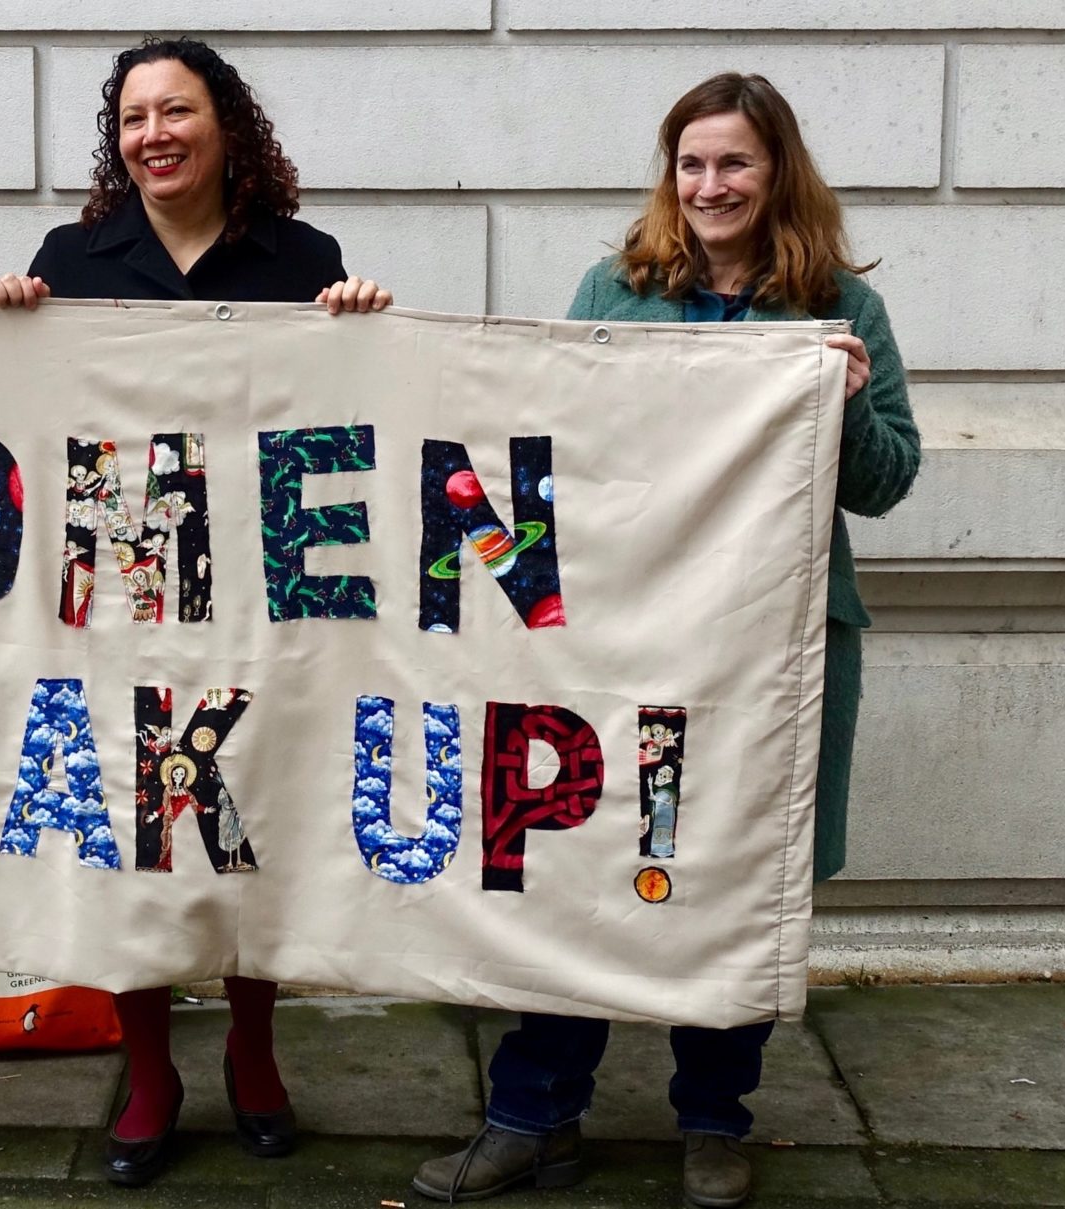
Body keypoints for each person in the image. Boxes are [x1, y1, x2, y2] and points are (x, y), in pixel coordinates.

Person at [410, 72, 921, 1207]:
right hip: (621, 639)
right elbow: (560, 449)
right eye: (691, 164)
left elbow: (887, 482)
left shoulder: (836, 306)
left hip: (768, 649)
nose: (710, 185)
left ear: (775, 170)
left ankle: (713, 1123)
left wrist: (838, 400)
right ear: (668, 174)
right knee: (581, 859)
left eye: (733, 163)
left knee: (731, 870)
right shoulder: (618, 288)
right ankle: (531, 1113)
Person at [0, 37, 391, 1187]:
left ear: (225, 127)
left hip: (257, 586)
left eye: (178, 110)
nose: (154, 133)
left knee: (251, 805)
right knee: (135, 824)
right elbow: (31, 401)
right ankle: (150, 1070)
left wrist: (352, 321)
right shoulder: (72, 254)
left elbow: (340, 405)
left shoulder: (302, 255)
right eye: (134, 116)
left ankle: (255, 1049)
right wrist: (9, 316)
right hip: (121, 590)